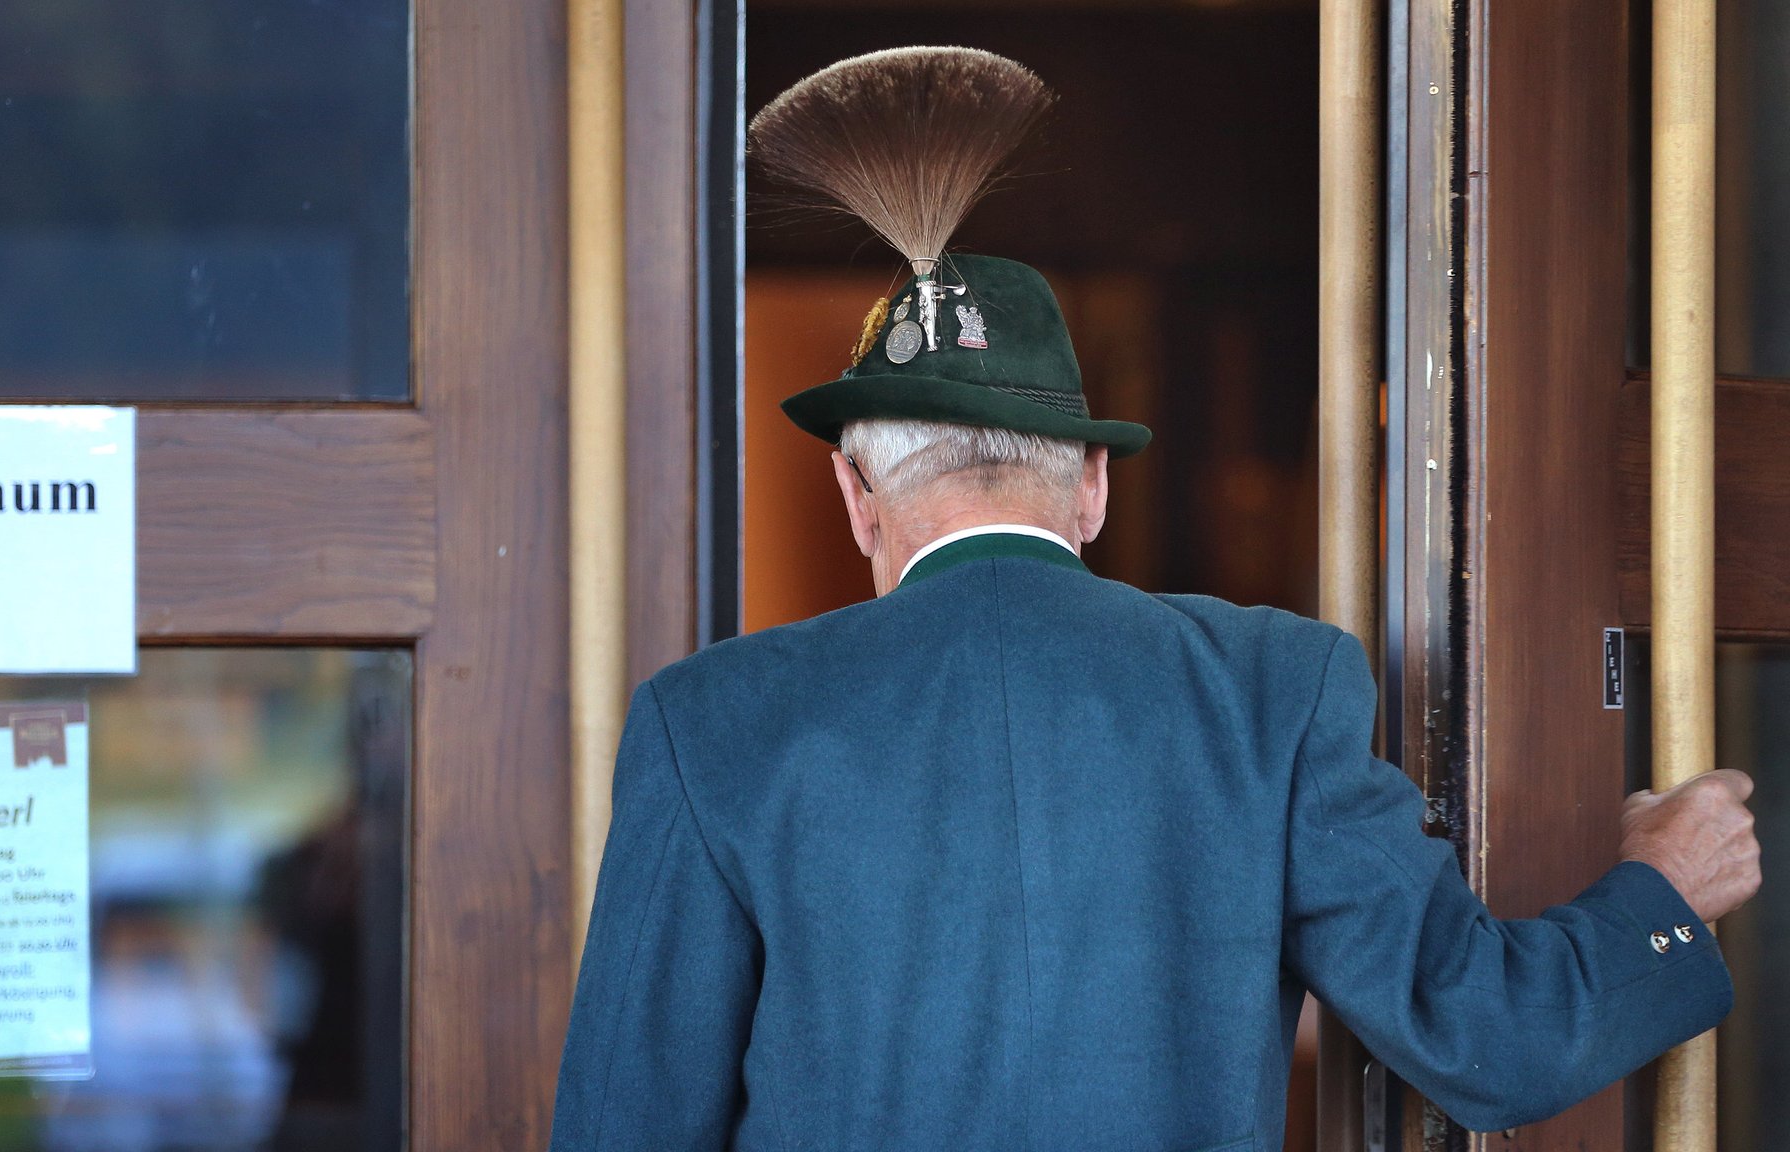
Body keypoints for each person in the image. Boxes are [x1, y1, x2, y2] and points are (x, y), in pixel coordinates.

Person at [549, 47, 1760, 1151]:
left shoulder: (706, 723)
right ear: (1089, 483)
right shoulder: (1273, 692)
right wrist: (1659, 892)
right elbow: (1486, 1039)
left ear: (855, 492)